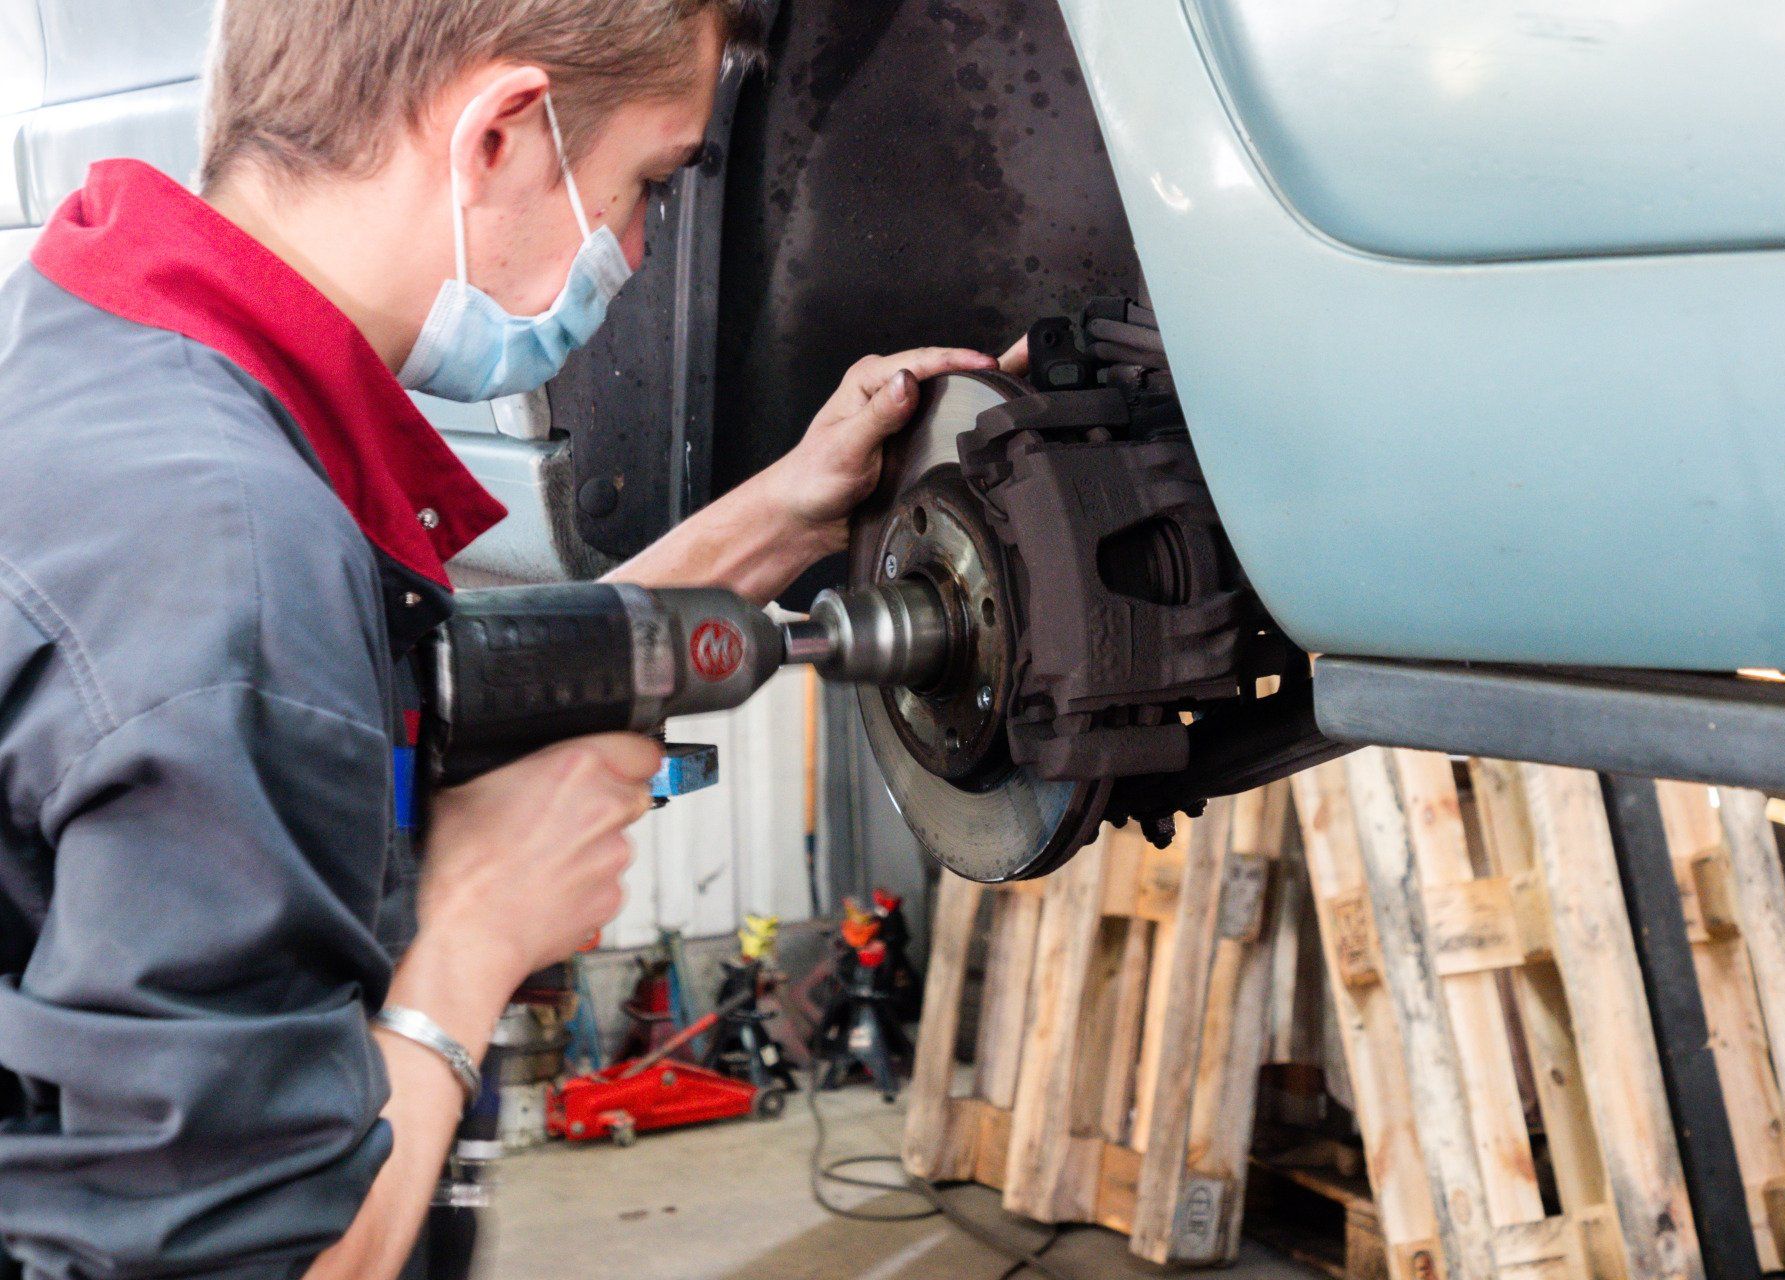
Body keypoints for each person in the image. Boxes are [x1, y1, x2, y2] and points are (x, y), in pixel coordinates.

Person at [0, 3, 1021, 1277]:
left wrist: (784, 509)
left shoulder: (115, 369)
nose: (644, 245)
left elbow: (415, 678)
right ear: (497, 136)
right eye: (650, 180)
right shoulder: (230, 575)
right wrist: (478, 932)